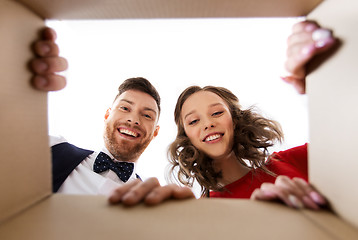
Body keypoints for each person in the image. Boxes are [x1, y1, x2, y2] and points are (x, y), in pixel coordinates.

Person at [29, 20, 337, 208]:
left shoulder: (292, 160)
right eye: (125, 108)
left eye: (148, 115)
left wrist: (325, 90)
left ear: (157, 132)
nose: (135, 119)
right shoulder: (50, 149)